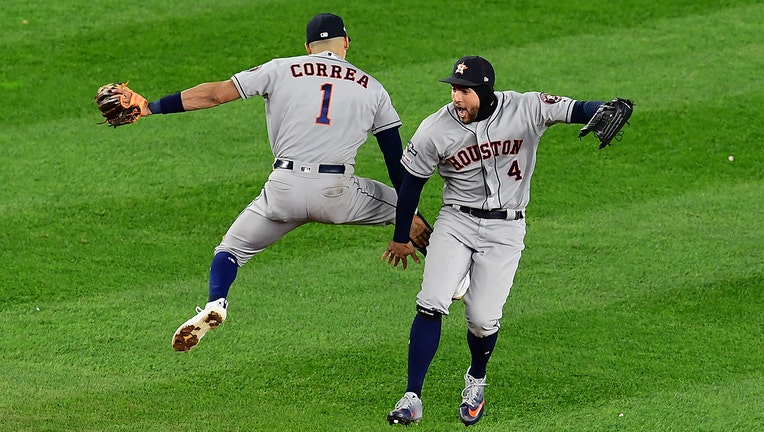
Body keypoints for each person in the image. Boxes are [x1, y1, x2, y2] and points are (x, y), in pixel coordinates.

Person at [130, 13, 411, 352]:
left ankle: (216, 303)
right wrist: (402, 232)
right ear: (346, 43)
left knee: (230, 251)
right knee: (402, 205)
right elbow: (398, 165)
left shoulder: (281, 68)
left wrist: (151, 107)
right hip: (337, 192)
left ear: (308, 47)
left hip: (284, 188)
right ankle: (456, 280)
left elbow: (215, 95)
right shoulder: (373, 87)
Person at [382, 55, 630, 426]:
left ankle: (476, 380)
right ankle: (411, 396)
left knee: (482, 320)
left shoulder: (527, 107)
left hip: (506, 230)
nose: (456, 98)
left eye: (464, 90)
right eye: (453, 89)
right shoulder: (434, 129)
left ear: (483, 90)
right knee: (431, 301)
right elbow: (411, 187)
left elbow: (576, 109)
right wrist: (402, 236)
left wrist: (606, 108)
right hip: (456, 221)